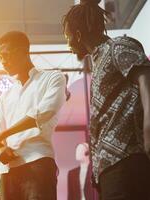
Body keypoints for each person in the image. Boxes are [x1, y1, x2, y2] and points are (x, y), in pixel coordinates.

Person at [63, 0, 150, 199]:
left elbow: (146, 80)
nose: (68, 44)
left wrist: (148, 128)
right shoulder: (99, 60)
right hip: (109, 167)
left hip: (127, 159)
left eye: (67, 37)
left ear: (78, 35)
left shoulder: (118, 46)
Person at [0, 31, 66, 200]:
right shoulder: (6, 96)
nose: (3, 62)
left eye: (6, 55)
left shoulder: (52, 78)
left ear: (23, 51)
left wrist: (3, 135)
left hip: (38, 162)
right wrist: (0, 149)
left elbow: (43, 113)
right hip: (8, 171)